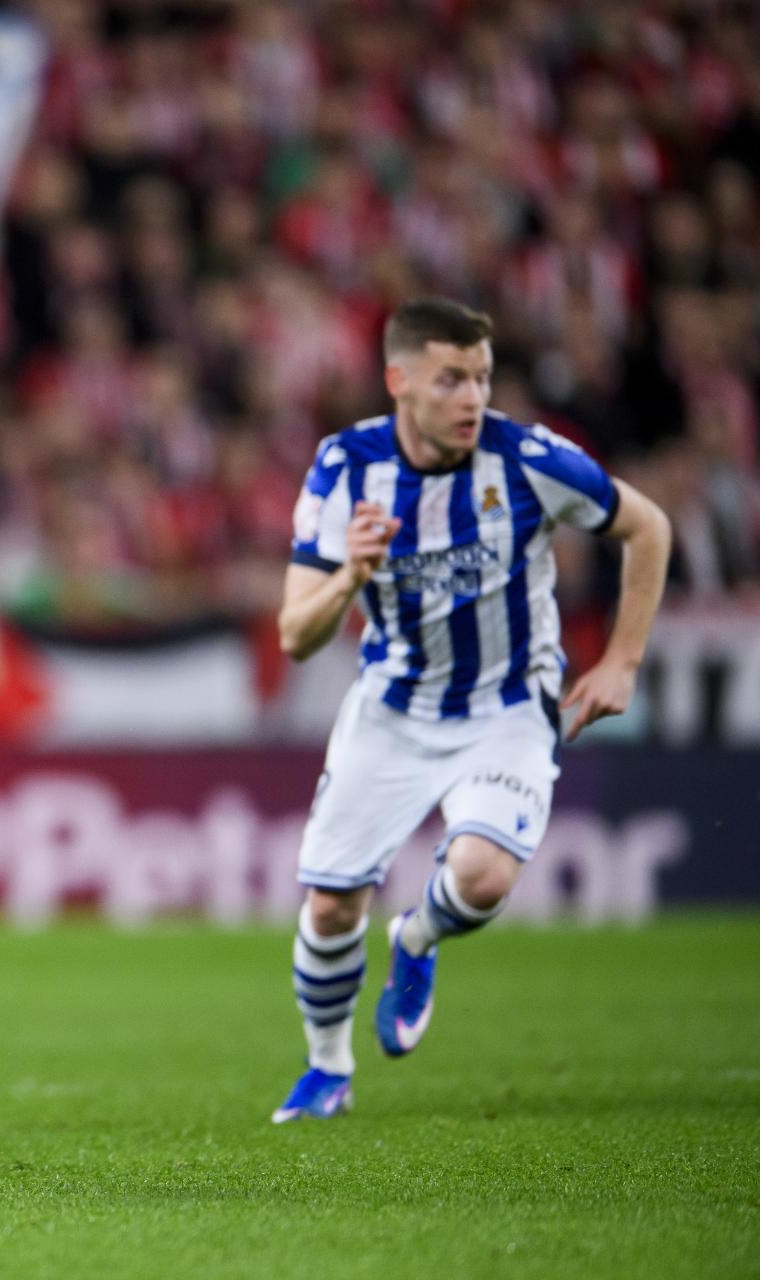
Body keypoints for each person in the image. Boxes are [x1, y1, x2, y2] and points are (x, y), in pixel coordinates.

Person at [270, 298, 671, 1123]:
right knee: (332, 904)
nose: (472, 398)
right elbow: (294, 634)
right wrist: (348, 576)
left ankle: (415, 941)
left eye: (482, 378)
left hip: (507, 704)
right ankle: (327, 1070)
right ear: (400, 381)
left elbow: (648, 527)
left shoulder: (526, 458)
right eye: (452, 378)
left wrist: (623, 659)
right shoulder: (346, 467)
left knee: (483, 876)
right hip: (392, 706)